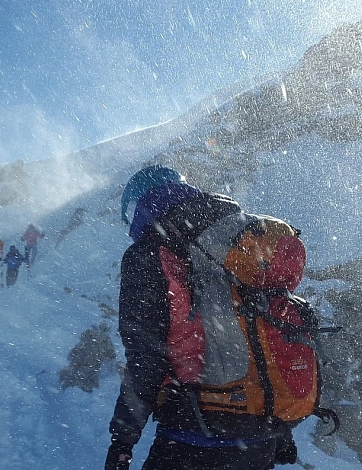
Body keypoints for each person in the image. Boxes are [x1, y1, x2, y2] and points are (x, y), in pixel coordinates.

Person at [105, 165, 297, 470]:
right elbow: (264, 333)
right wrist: (280, 429)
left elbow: (147, 358)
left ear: (140, 206)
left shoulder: (149, 255)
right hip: (258, 438)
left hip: (193, 434)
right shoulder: (235, 239)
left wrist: (122, 441)